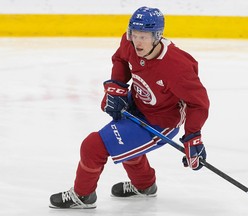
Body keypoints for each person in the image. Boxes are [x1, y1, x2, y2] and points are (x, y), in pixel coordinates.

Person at [49, 6, 210, 209]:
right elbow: (120, 59)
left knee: (92, 146)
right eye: (134, 34)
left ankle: (83, 195)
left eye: (144, 36)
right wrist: (117, 87)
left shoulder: (177, 66)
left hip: (161, 121)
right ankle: (144, 185)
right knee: (123, 143)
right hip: (138, 103)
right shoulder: (129, 42)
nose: (137, 41)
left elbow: (199, 102)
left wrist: (193, 135)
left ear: (157, 36)